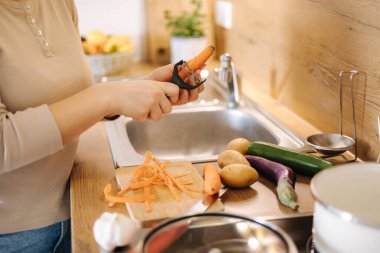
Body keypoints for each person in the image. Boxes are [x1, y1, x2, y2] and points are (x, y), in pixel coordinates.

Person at [0, 1, 204, 252]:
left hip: (74, 202)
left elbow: (70, 98)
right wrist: (107, 96)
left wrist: (132, 91)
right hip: (13, 236)